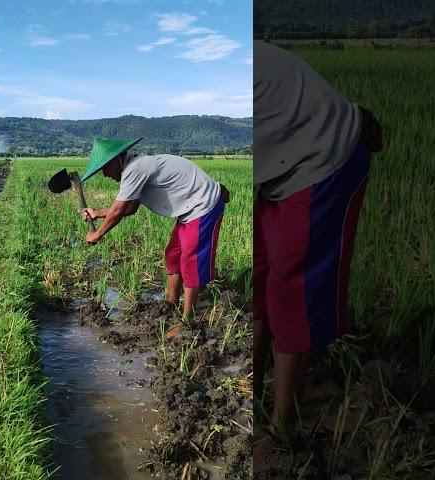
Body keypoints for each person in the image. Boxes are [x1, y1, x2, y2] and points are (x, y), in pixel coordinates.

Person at [253, 40, 382, 449]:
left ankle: (281, 430)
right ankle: (251, 389)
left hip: (320, 163)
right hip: (278, 168)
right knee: (260, 277)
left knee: (292, 287)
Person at [80, 137, 229, 324]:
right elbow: (130, 208)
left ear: (116, 161)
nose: (104, 174)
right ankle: (171, 303)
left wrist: (97, 233)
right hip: (188, 211)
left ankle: (187, 321)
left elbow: (119, 211)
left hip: (203, 206)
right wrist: (97, 213)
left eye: (104, 168)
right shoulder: (134, 170)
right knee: (173, 256)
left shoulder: (135, 169)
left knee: (190, 260)